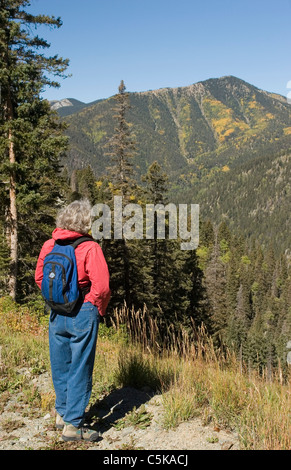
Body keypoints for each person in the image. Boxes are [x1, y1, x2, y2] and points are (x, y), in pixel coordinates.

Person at [35, 199, 110, 442]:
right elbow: (103, 287)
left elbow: (39, 277)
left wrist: (56, 299)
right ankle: (73, 425)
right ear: (86, 222)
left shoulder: (50, 244)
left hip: (56, 312)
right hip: (82, 311)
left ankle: (62, 413)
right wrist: (95, 308)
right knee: (80, 366)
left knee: (60, 364)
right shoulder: (90, 248)